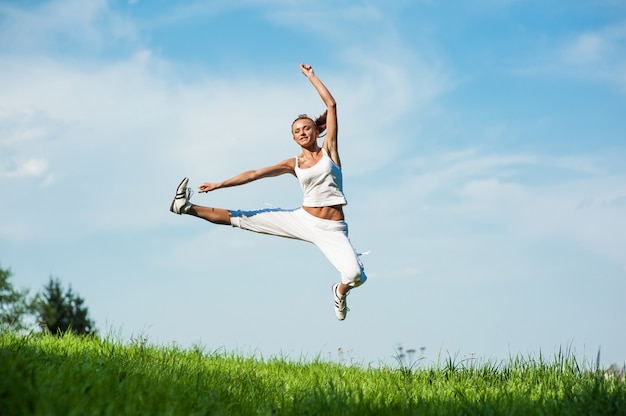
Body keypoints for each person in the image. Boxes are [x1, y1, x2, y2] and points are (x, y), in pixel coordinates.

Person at [170, 63, 366, 320]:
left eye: (307, 128)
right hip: (303, 220)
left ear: (317, 131)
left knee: (355, 276)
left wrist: (311, 76)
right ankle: (185, 207)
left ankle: (339, 292)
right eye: (297, 131)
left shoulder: (329, 151)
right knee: (243, 218)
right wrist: (219, 184)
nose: (302, 132)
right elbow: (254, 174)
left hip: (333, 229)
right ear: (294, 138)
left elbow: (331, 105)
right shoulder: (292, 163)